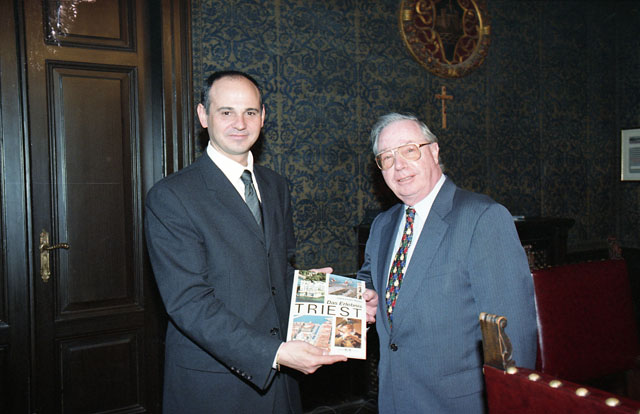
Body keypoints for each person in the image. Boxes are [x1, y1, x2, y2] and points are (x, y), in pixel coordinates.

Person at [145, 70, 346, 413]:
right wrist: (274, 353)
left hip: (282, 381)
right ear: (203, 115)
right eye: (226, 112)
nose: (240, 123)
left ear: (263, 117)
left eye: (250, 112)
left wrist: (335, 298)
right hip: (217, 383)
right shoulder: (171, 196)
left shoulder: (275, 185)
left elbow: (277, 273)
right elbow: (188, 303)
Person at [357, 113, 537, 413]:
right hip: (393, 400)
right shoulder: (382, 225)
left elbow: (511, 334)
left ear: (434, 151)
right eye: (386, 157)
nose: (398, 165)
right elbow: (369, 288)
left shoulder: (482, 218)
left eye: (409, 150)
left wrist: (511, 403)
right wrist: (344, 298)